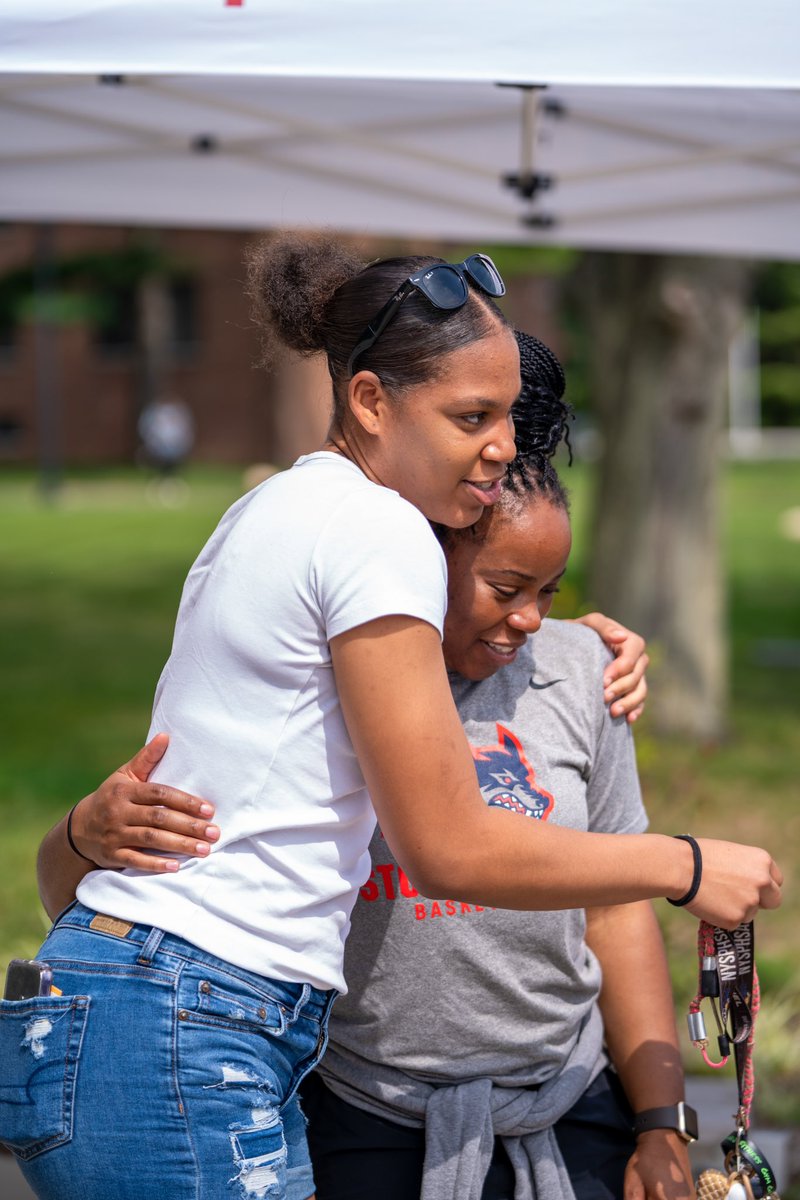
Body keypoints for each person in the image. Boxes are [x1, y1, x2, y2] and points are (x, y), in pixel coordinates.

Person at [2, 236, 781, 1200]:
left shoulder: (277, 508)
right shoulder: (380, 531)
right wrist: (688, 864)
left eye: (505, 414)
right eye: (470, 416)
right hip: (187, 1026)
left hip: (136, 1004)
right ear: (371, 402)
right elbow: (446, 843)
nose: (502, 443)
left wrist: (555, 638)